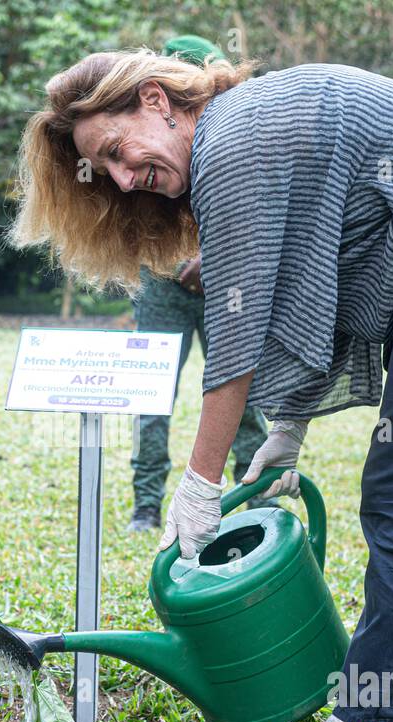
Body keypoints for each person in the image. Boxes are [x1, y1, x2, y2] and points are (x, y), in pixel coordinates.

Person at [11, 51, 393, 722]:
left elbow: (235, 338)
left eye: (116, 150)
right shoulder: (240, 133)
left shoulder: (231, 141)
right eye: (104, 170)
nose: (119, 177)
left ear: (154, 100)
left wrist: (201, 482)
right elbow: (313, 284)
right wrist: (288, 424)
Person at [126, 35, 271, 532]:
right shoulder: (143, 130)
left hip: (224, 286)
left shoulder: (232, 123)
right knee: (152, 398)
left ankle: (258, 497)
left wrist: (212, 258)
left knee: (243, 394)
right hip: (162, 286)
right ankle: (146, 504)